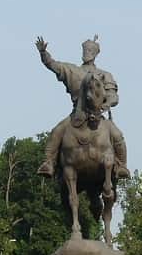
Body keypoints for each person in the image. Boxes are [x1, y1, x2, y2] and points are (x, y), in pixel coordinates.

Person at [34, 36, 129, 179]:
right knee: (57, 132)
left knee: (117, 135)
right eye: (85, 50)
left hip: (98, 116)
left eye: (90, 50)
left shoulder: (104, 75)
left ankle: (121, 166)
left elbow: (113, 96)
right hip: (77, 114)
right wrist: (43, 53)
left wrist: (106, 105)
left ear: (96, 53)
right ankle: (49, 164)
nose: (87, 53)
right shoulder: (71, 70)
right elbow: (53, 65)